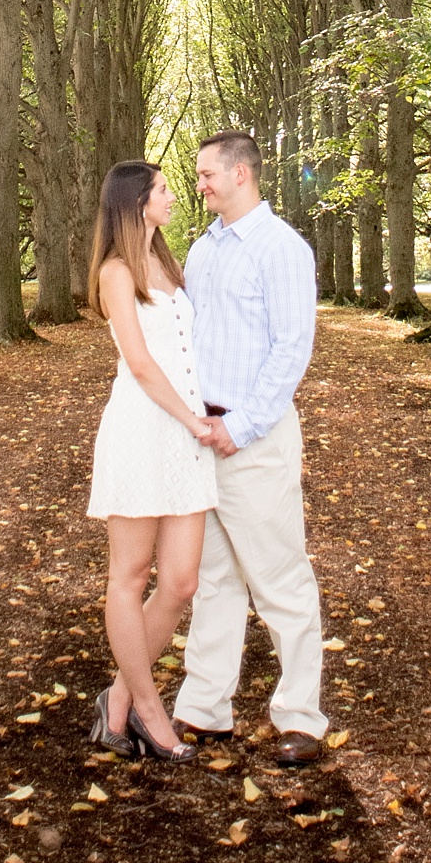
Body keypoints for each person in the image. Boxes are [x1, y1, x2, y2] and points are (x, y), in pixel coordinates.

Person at [172, 131, 328, 767]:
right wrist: (194, 421)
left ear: (241, 174)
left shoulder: (281, 248)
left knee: (280, 578)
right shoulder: (202, 250)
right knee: (213, 581)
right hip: (200, 438)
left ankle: (301, 718)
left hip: (253, 439)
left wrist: (239, 425)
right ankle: (206, 708)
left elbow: (292, 349)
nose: (200, 184)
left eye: (208, 174)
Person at [85, 159, 219, 762]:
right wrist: (194, 421)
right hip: (143, 430)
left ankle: (118, 697)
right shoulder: (116, 272)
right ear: (136, 201)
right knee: (131, 575)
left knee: (182, 579)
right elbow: (140, 364)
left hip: (185, 434)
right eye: (163, 189)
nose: (173, 196)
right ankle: (147, 706)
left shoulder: (169, 262)